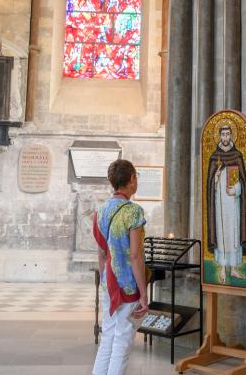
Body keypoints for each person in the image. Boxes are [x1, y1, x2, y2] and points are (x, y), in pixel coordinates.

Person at [92, 159, 149, 375]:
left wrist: (106, 283)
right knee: (123, 342)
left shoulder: (100, 211)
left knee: (108, 336)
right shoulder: (133, 212)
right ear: (132, 179)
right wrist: (143, 293)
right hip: (127, 285)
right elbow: (135, 256)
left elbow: (101, 252)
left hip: (110, 282)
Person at [205, 124, 246, 284]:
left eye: (228, 134)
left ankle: (234, 269)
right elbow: (210, 183)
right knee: (222, 232)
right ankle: (223, 268)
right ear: (219, 136)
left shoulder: (237, 155)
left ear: (231, 136)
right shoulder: (214, 157)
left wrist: (236, 190)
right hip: (220, 203)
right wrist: (215, 179)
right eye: (222, 134)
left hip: (233, 203)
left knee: (233, 232)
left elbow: (243, 181)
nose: (225, 137)